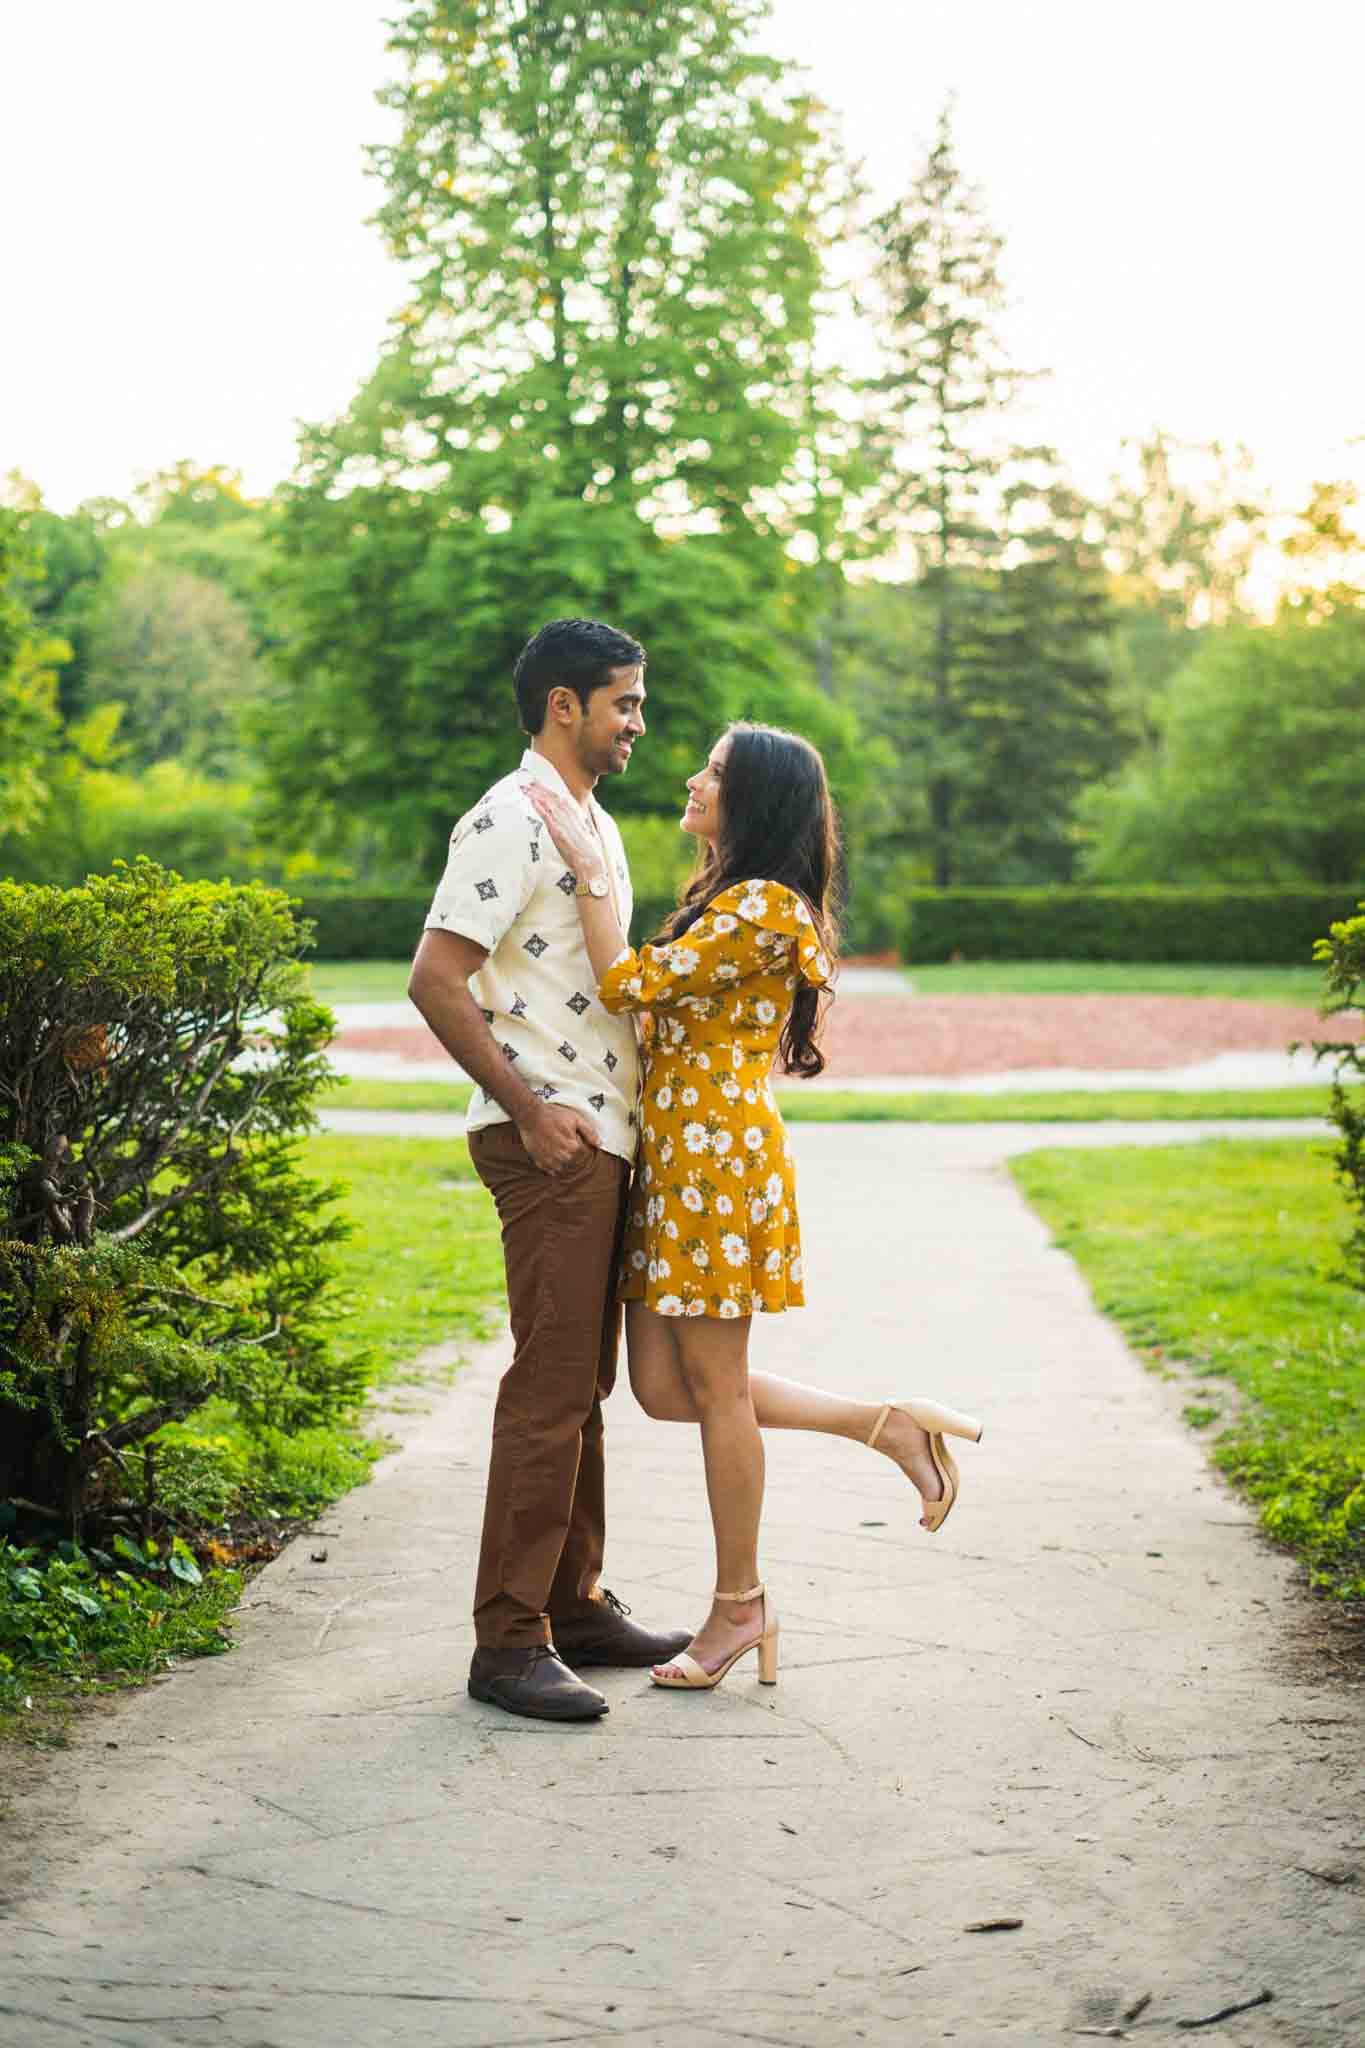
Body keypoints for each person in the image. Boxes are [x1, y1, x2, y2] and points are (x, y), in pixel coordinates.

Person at [526, 721, 984, 1693]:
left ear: (758, 798)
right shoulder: (728, 901)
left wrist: (586, 868)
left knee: (718, 1388)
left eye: (716, 772)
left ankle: (740, 1603)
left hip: (717, 1161)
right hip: (679, 1155)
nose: (693, 779)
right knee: (662, 1387)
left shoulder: (769, 906)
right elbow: (648, 1011)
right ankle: (890, 1420)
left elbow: (625, 984)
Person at [408, 618, 691, 1724]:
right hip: (550, 1145)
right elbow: (436, 977)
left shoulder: (589, 826)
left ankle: (573, 1606)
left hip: (599, 1139)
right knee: (550, 1384)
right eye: (624, 700)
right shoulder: (507, 818)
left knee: (583, 1384)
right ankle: (508, 1638)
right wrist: (529, 1113)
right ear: (563, 705)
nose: (638, 720)